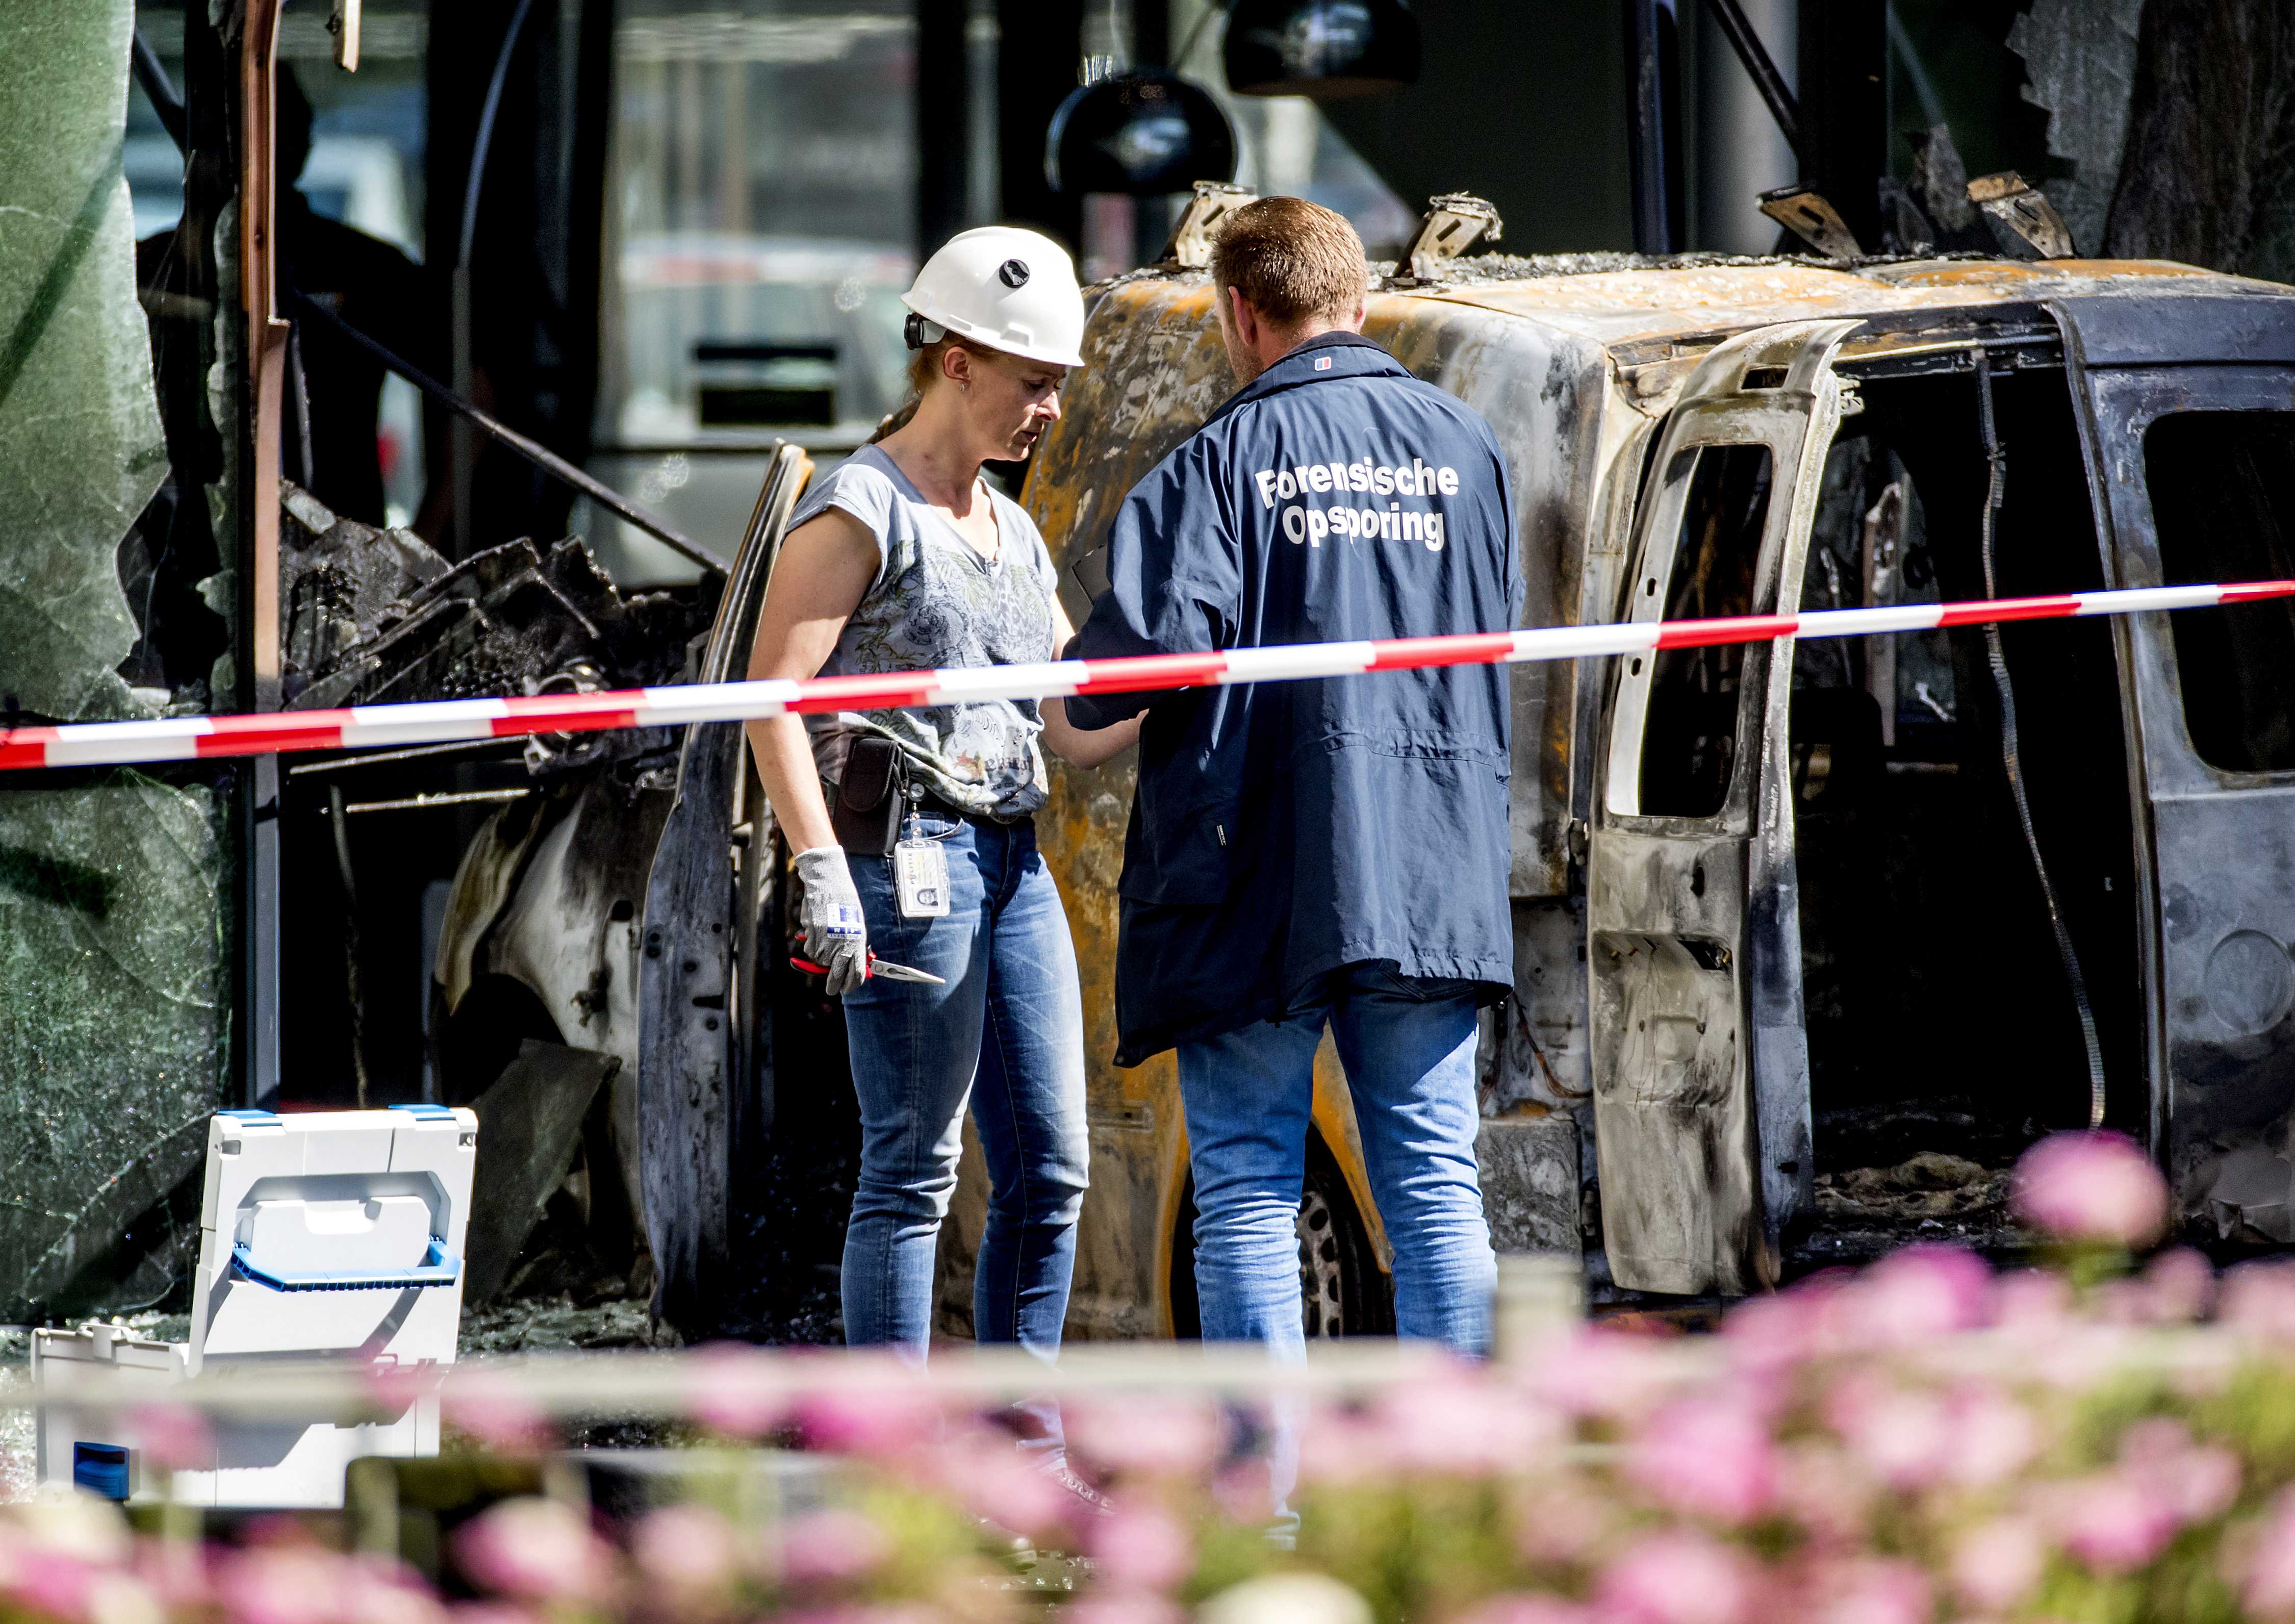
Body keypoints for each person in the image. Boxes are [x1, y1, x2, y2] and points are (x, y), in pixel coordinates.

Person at [1063, 197, 1521, 1360]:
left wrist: (1054, 673)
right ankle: (1454, 1501)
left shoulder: (1214, 464)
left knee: (1251, 1196)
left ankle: (1261, 1511)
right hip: (1428, 866)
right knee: (1433, 1187)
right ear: (1358, 304)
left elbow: (1121, 683)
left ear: (1238, 315)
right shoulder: (1471, 452)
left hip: (1252, 878)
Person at [743, 227, 1139, 1375]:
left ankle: (1020, 1442)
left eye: (1060, 386)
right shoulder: (863, 509)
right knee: (912, 1168)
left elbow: (1065, 721)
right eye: (1034, 383)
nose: (1051, 410)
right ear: (955, 360)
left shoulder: (1010, 528)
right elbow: (769, 693)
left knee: (1052, 1167)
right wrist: (822, 868)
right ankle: (895, 1468)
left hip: (1011, 861)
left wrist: (1184, 686)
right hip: (908, 861)